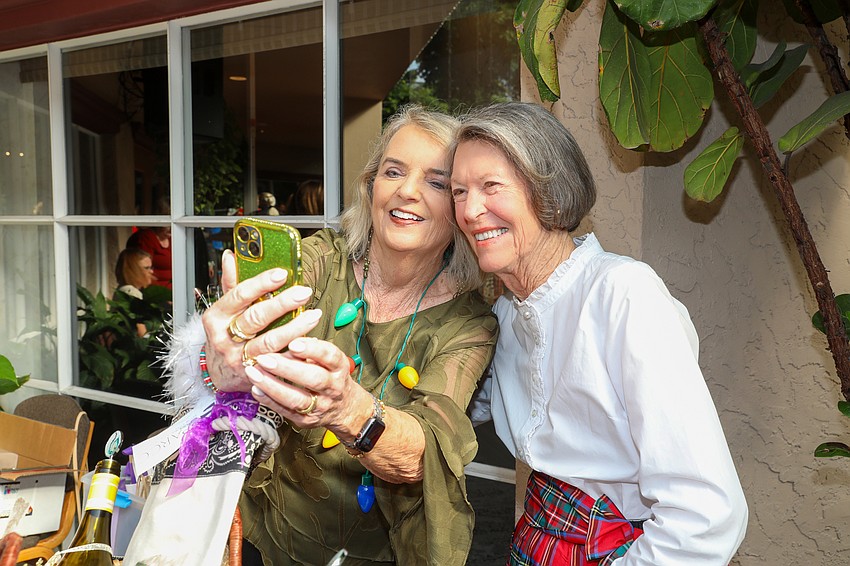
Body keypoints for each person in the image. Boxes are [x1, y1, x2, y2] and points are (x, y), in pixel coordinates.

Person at [168, 105, 498, 565]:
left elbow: (425, 453)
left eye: (437, 182)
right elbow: (232, 356)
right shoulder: (321, 261)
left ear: (461, 207)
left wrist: (347, 408)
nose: (407, 192)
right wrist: (218, 359)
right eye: (393, 171)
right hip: (266, 537)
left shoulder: (468, 322)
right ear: (371, 185)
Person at [451, 102, 748, 565]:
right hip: (535, 546)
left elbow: (705, 514)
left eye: (491, 186)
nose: (470, 210)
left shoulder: (624, 294)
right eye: (457, 191)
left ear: (548, 190)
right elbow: (465, 402)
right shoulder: (509, 311)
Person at [114, 248, 156, 336]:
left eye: (151, 267)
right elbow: (141, 332)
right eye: (146, 268)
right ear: (133, 270)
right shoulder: (131, 293)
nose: (152, 271)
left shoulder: (123, 290)